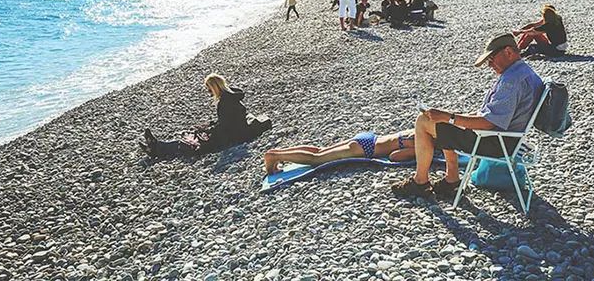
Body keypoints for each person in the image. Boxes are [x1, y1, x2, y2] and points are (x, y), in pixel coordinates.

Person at [391, 34, 543, 198]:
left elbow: (488, 123)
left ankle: (421, 181)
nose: (490, 65)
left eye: (491, 59)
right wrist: (453, 117)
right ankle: (451, 179)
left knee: (424, 121)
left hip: (496, 143)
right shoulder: (526, 72)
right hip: (509, 138)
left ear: (508, 52)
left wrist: (450, 117)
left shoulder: (511, 80)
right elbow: (495, 115)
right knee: (443, 121)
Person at [140, 74, 271, 157]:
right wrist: (212, 126)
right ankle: (156, 145)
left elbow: (227, 126)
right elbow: (230, 120)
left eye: (209, 89)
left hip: (232, 136)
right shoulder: (232, 97)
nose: (208, 92)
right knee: (193, 137)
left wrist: (210, 130)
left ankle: (156, 148)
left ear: (214, 87)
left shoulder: (225, 102)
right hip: (236, 132)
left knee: (190, 143)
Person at [264, 130, 416, 174]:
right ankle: (275, 156)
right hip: (365, 149)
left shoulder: (416, 131)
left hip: (368, 137)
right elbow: (393, 157)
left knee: (320, 151)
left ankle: (277, 152)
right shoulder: (422, 143)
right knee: (316, 159)